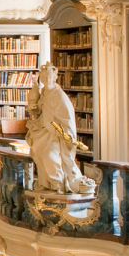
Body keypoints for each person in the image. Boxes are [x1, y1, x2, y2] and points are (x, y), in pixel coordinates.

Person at [25, 63, 93, 194]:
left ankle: (59, 185)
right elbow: (39, 110)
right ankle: (47, 183)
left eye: (50, 77)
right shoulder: (44, 93)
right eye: (44, 77)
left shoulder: (59, 95)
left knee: (49, 156)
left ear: (54, 78)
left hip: (57, 135)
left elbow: (68, 117)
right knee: (37, 152)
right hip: (44, 132)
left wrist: (66, 133)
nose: (47, 80)